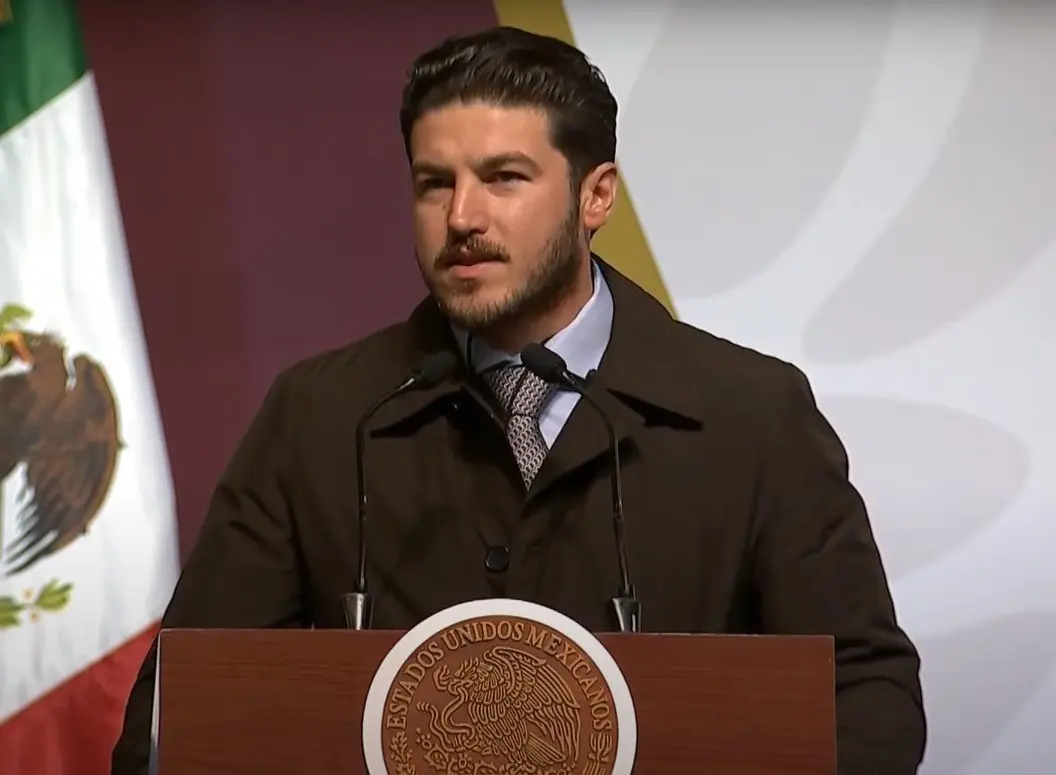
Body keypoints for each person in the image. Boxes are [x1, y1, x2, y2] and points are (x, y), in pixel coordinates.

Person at [111, 26, 926, 775]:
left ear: (595, 196)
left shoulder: (752, 412)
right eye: (435, 183)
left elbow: (866, 697)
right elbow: (179, 711)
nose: (461, 217)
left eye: (503, 178)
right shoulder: (321, 416)